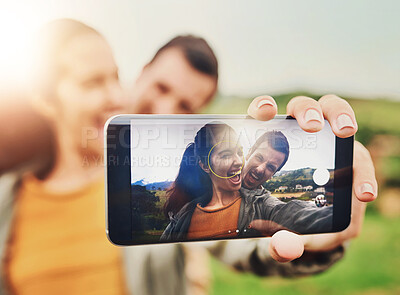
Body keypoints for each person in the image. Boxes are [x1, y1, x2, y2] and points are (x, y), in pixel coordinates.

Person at [0, 19, 377, 295]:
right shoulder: (8, 198)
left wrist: (319, 236)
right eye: (93, 82)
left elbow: (240, 239)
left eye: (186, 106)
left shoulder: (197, 191)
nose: (164, 109)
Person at [161, 127, 332, 241]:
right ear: (249, 152)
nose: (260, 169)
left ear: (274, 174)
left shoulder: (263, 206)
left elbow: (294, 213)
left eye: (271, 167)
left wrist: (334, 214)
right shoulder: (192, 204)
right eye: (259, 158)